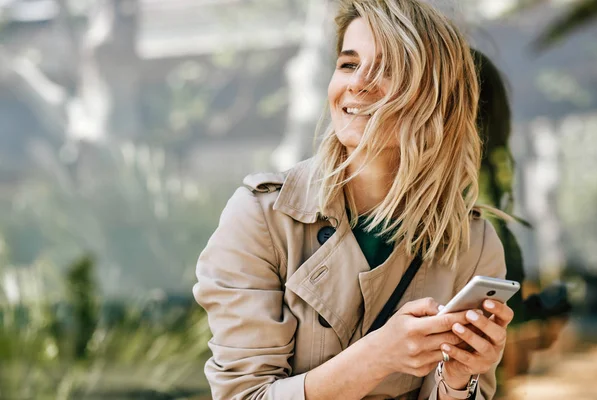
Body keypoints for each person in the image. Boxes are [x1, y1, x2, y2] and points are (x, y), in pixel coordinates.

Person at [193, 1, 514, 399]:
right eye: (348, 64)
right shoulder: (263, 218)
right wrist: (378, 356)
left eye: (388, 69)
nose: (358, 83)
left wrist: (459, 377)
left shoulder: (473, 243)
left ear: (434, 99)